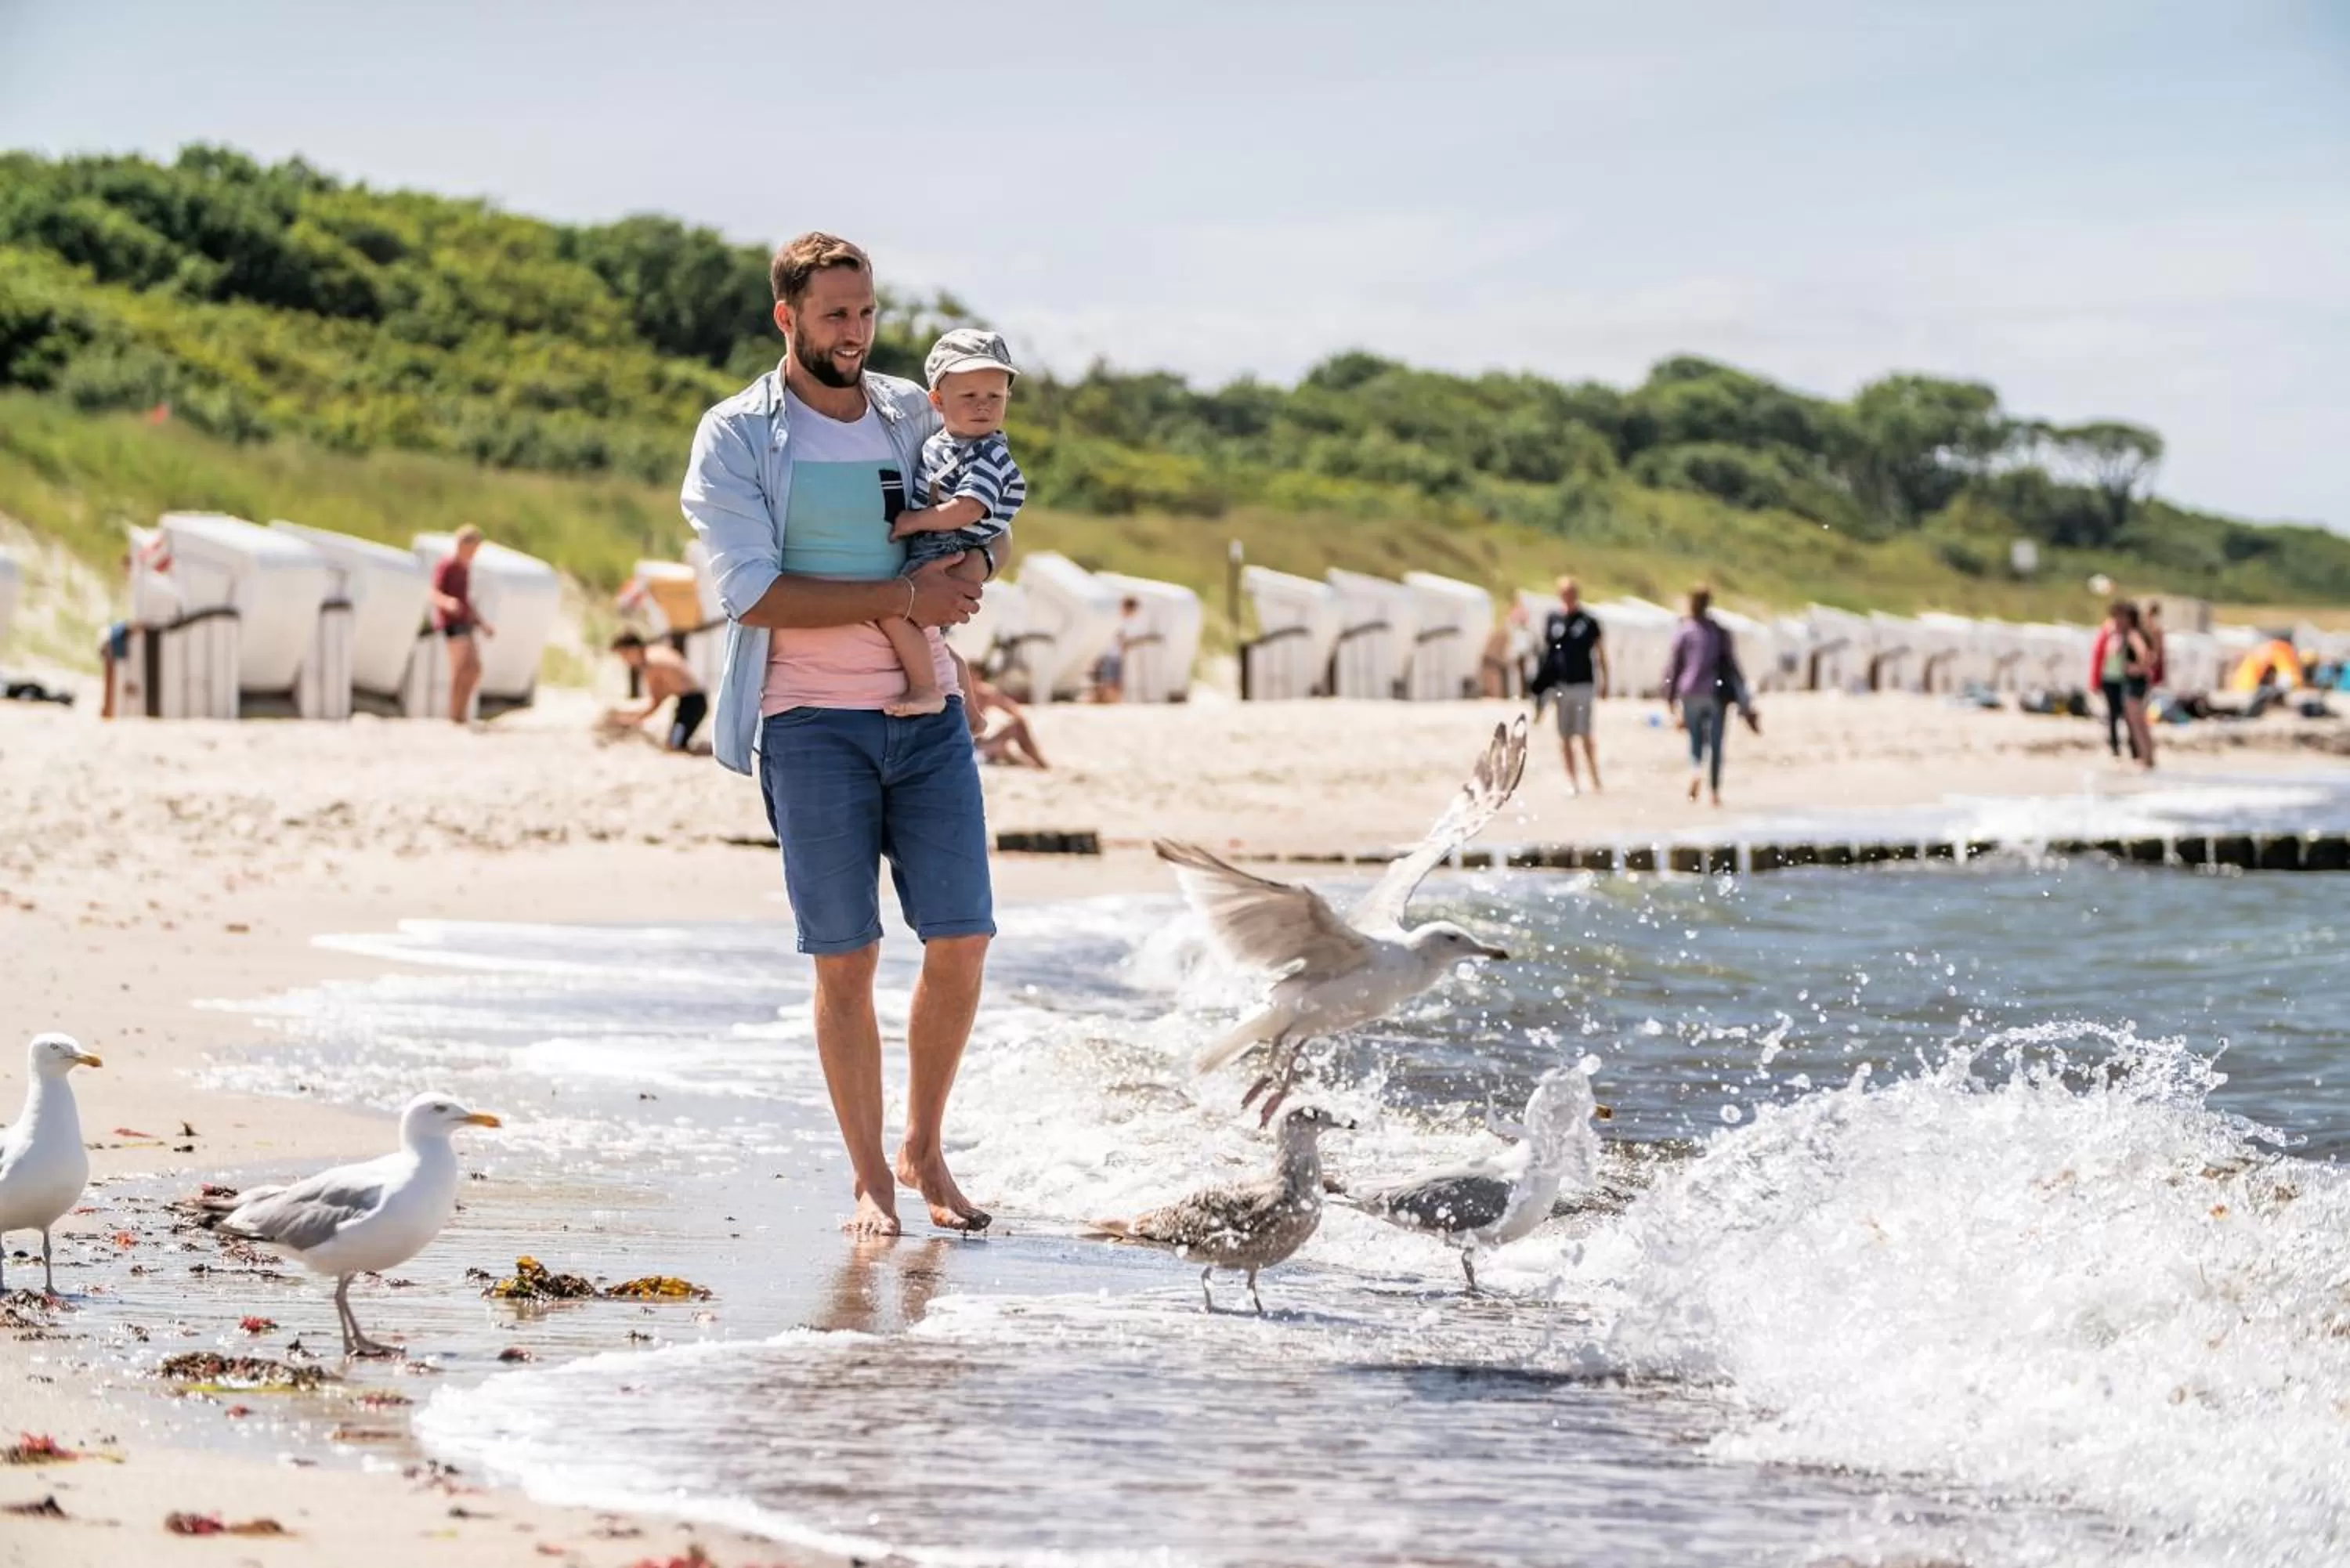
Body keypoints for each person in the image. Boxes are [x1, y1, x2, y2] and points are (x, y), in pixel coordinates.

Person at [681, 231, 992, 1238]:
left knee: (962, 939)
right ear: (787, 317)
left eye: (864, 313)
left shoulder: (911, 409)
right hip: (809, 723)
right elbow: (756, 593)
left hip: (929, 712)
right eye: (834, 316)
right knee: (844, 954)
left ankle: (925, 1143)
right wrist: (905, 590)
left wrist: (974, 570)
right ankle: (871, 1178)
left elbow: (984, 507)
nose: (855, 333)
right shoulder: (737, 436)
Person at [880, 327, 1025, 717]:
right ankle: (972, 714)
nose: (983, 406)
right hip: (940, 542)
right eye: (970, 396)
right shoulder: (942, 441)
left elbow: (968, 508)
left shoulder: (988, 453)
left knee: (896, 612)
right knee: (933, 639)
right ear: (938, 401)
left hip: (948, 547)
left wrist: (913, 521)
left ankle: (926, 689)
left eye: (995, 396)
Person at [1661, 583, 1755, 806]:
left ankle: (1695, 771)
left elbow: (1674, 666)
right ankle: (1714, 793)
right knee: (1715, 743)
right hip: (1715, 692)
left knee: (1695, 739)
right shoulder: (1719, 632)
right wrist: (1744, 694)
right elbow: (1732, 664)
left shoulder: (1684, 630)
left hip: (1689, 691)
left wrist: (1669, 695)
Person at [1528, 575, 1608, 794]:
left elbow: (1600, 652)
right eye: (1564, 593)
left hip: (1583, 683)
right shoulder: (1553, 619)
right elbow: (1547, 654)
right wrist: (1542, 685)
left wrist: (1605, 681)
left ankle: (1595, 779)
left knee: (1585, 733)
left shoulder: (1588, 621)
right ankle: (1573, 782)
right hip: (1560, 684)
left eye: (1571, 593)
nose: (1568, 597)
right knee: (1564, 736)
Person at [602, 631, 709, 753]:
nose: (624, 660)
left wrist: (628, 720)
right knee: (675, 742)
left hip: (692, 703)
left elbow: (655, 703)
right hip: (692, 700)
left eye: (624, 654)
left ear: (634, 649)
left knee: (674, 746)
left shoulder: (651, 663)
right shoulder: (656, 652)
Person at [430, 526, 495, 724]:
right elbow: (434, 593)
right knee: (460, 668)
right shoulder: (447, 564)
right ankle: (455, 715)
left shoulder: (464, 568)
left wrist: (481, 623)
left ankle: (461, 712)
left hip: (465, 621)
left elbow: (466, 600)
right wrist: (448, 603)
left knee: (474, 668)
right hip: (451, 622)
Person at [2087, 600, 2140, 761]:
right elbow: (2100, 656)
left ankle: (2134, 748)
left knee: (2129, 715)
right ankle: (2115, 747)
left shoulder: (2131, 634)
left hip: (2125, 679)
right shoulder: (2109, 633)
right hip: (2109, 678)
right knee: (2112, 713)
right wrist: (2094, 681)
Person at [965, 669, 1048, 768]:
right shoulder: (955, 694)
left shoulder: (984, 694)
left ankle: (1038, 761)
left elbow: (1013, 709)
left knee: (1017, 727)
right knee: (1002, 750)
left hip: (979, 742)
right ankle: (1035, 764)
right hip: (966, 747)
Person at [1095, 595, 1144, 703]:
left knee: (1111, 680)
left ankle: (1110, 700)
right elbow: (1123, 640)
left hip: (1112, 654)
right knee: (1112, 681)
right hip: (1114, 655)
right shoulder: (1124, 622)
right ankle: (1111, 701)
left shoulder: (1121, 621)